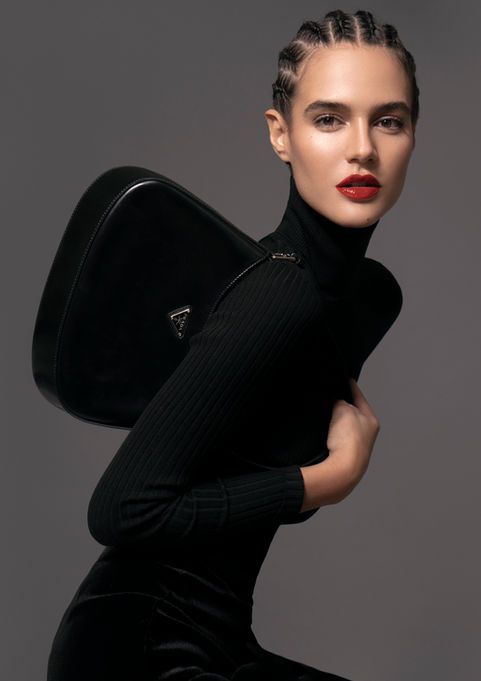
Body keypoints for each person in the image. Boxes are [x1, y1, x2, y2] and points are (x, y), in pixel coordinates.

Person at [46, 8, 419, 681]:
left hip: (221, 637)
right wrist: (329, 478)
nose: (362, 148)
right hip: (137, 644)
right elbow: (121, 509)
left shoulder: (367, 301)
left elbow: (249, 482)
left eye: (388, 120)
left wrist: (304, 481)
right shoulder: (277, 293)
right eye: (329, 119)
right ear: (280, 134)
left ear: (411, 135)